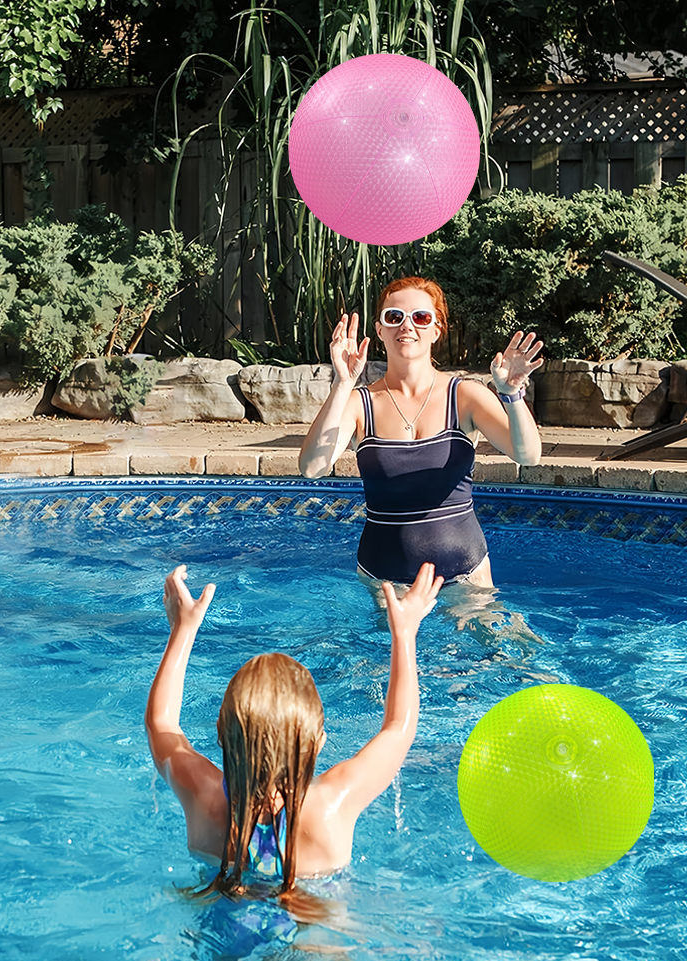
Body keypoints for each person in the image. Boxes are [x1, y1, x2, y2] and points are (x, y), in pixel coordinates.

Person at [145, 561, 442, 913]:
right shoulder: (332, 805)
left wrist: (182, 630)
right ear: (319, 741)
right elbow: (398, 728)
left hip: (220, 911)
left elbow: (161, 723)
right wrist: (404, 635)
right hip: (316, 924)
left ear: (221, 733)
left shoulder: (203, 795)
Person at [298, 276, 544, 588]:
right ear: (379, 330)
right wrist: (343, 383)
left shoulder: (465, 395)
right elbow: (312, 468)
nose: (407, 326)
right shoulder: (360, 403)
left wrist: (511, 394)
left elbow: (528, 455)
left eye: (421, 317)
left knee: (510, 639)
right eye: (394, 317)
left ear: (436, 329)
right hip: (384, 581)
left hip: (467, 578)